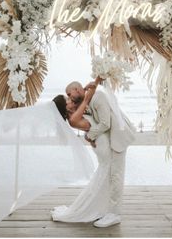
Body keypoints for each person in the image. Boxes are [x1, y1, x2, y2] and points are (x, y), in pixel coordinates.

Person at [51, 80, 136, 228]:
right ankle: (110, 212)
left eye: (69, 96)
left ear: (77, 89)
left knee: (112, 176)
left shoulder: (96, 98)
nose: (70, 99)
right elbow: (94, 118)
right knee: (111, 176)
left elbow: (103, 123)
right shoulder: (75, 116)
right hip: (104, 145)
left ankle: (111, 212)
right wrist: (89, 136)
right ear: (65, 108)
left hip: (116, 139)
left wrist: (89, 136)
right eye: (68, 99)